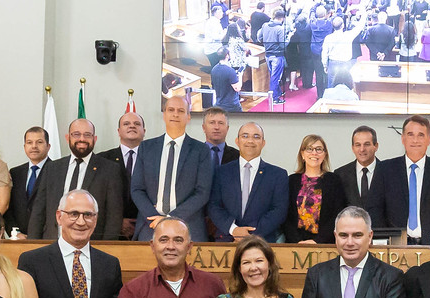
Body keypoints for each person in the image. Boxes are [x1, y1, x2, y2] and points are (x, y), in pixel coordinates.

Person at [130, 91, 216, 241]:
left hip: (188, 226)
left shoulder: (201, 150)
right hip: (151, 225)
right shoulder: (146, 148)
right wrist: (155, 218)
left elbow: (202, 192)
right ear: (164, 115)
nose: (175, 114)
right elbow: (137, 189)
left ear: (188, 117)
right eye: (171, 110)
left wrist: (170, 218)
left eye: (181, 111)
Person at [373, 113, 430, 245]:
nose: (415, 140)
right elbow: (375, 210)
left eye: (421, 135)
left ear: (428, 140)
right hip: (395, 245)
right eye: (410, 134)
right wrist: (385, 240)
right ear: (403, 139)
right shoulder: (385, 169)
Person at [209, 120, 289, 242]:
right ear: (237, 141)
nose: (250, 141)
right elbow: (214, 206)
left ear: (263, 143)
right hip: (227, 239)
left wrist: (250, 234)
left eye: (256, 137)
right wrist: (234, 230)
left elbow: (279, 211)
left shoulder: (278, 175)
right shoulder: (221, 172)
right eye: (245, 136)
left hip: (262, 242)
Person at [95, 109, 148, 239]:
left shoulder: (155, 159)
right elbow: (98, 196)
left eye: (137, 124)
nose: (132, 126)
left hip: (146, 229)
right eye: (126, 124)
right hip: (110, 231)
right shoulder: (102, 159)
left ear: (144, 131)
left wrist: (142, 222)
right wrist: (118, 221)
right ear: (118, 131)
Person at [287, 133, 348, 245]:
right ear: (302, 154)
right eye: (309, 149)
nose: (314, 153)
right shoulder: (291, 181)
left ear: (325, 154)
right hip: (295, 243)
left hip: (325, 243)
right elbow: (286, 216)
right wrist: (297, 241)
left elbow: (338, 214)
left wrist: (317, 241)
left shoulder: (334, 180)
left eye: (319, 149)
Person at [6, 125, 56, 236]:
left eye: (39, 142)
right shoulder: (15, 173)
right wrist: (16, 233)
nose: (34, 146)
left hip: (47, 238)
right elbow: (9, 208)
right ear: (24, 147)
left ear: (48, 146)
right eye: (29, 142)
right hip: (19, 238)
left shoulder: (57, 171)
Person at [335, 125, 382, 209]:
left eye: (367, 144)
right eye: (358, 145)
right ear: (353, 148)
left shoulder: (388, 173)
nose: (362, 149)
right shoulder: (340, 175)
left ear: (376, 146)